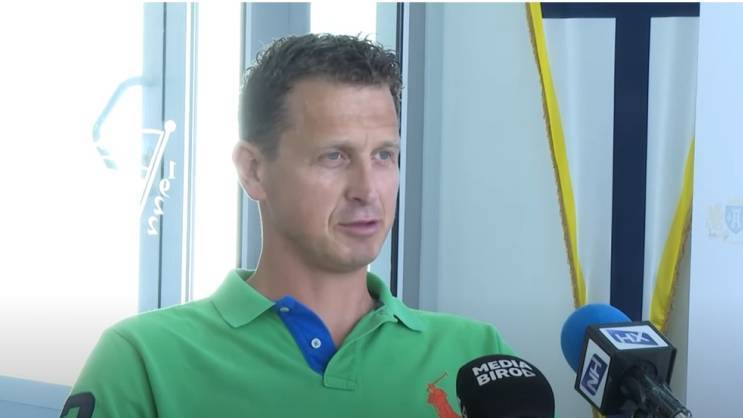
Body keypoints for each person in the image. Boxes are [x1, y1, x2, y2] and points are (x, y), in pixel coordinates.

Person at [61, 34, 515, 418]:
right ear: (253, 170)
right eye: (334, 156)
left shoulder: (477, 357)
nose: (367, 190)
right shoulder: (143, 361)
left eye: (383, 155)